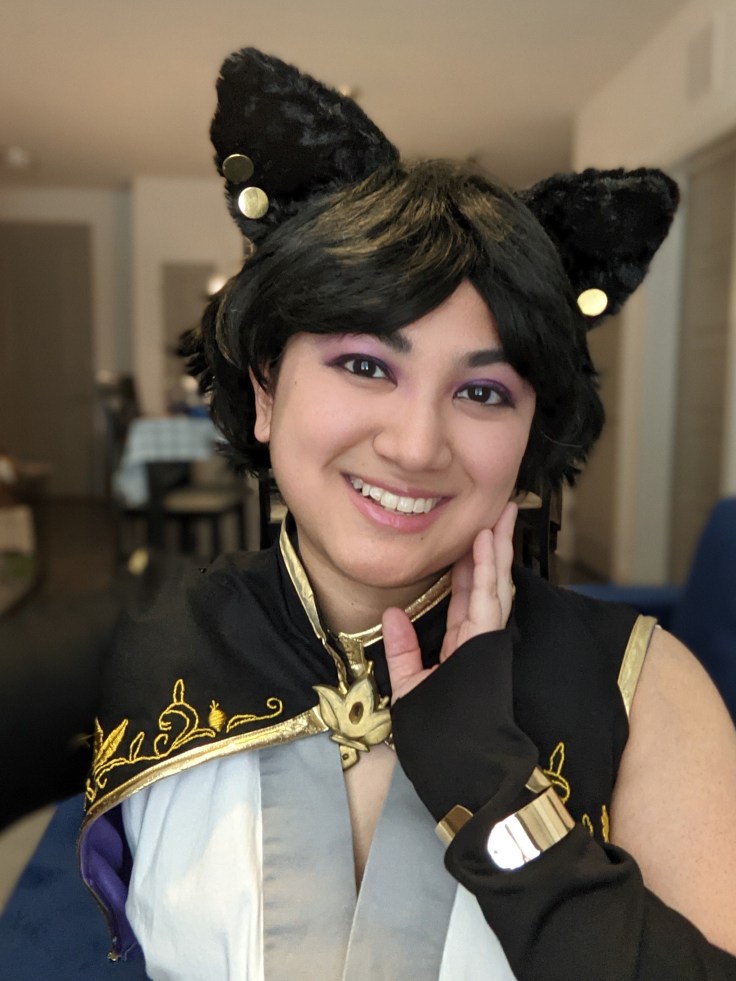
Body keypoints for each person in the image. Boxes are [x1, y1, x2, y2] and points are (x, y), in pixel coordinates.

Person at [79, 49, 736, 979]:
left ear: (531, 435)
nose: (417, 444)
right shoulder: (142, 637)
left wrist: (495, 790)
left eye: (483, 391)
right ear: (265, 389)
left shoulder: (647, 691)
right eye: (364, 365)